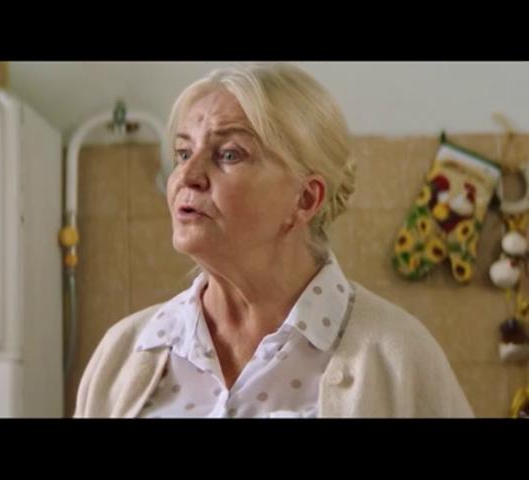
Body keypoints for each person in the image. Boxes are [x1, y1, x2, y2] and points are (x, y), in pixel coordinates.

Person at [74, 63, 473, 418]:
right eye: (182, 153)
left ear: (305, 199)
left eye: (229, 154)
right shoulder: (125, 350)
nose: (187, 176)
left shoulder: (398, 355)